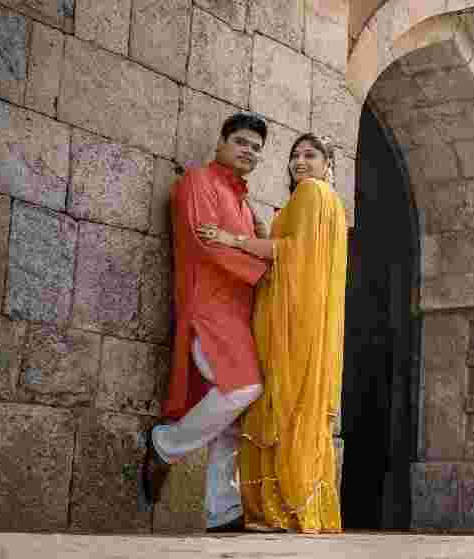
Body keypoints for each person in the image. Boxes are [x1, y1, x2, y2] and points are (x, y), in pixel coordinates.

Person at [198, 133, 348, 533]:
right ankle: (300, 506)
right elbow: (295, 246)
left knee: (281, 402)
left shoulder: (312, 193)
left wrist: (233, 239)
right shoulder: (331, 202)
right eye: (295, 155)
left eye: (310, 154)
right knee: (301, 405)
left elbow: (290, 252)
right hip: (309, 318)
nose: (300, 162)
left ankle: (280, 509)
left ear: (327, 162)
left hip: (290, 318)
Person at [142, 112, 272, 533]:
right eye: (241, 141)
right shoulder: (199, 181)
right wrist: (262, 270)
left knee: (232, 419)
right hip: (208, 310)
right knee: (244, 387)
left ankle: (223, 511)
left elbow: (254, 245)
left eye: (255, 146)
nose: (248, 150)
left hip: (237, 314)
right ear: (221, 143)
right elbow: (203, 241)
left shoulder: (241, 200)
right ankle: (166, 444)